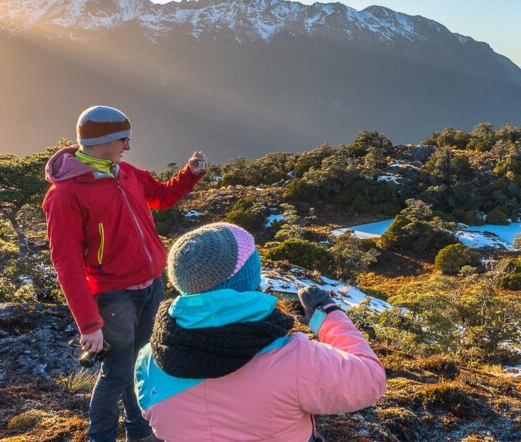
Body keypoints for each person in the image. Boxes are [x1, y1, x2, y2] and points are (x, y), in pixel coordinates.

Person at [134, 222, 387, 442]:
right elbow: (370, 380)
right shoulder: (292, 357)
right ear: (249, 279)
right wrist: (328, 316)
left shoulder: (149, 360)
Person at [42, 105, 206, 442]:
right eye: (123, 140)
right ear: (102, 141)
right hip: (113, 295)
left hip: (151, 286)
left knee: (142, 363)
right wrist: (89, 324)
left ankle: (138, 431)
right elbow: (67, 264)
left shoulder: (125, 172)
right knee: (116, 374)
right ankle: (100, 436)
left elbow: (162, 196)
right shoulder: (65, 195)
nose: (128, 146)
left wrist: (189, 174)